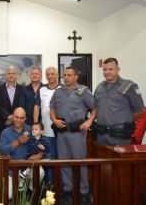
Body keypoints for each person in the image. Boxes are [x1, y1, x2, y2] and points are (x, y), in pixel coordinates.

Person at [50, 67, 97, 205]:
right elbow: (52, 108)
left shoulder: (83, 91)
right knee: (63, 162)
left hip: (77, 133)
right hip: (62, 132)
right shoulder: (58, 91)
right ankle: (68, 190)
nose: (66, 78)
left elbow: (94, 107)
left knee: (80, 161)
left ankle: (83, 191)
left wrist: (89, 121)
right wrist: (54, 120)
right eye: (64, 75)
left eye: (69, 75)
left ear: (76, 76)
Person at [94, 58, 145, 146]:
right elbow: (96, 108)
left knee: (118, 159)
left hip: (119, 135)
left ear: (118, 69)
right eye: (105, 69)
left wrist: (125, 120)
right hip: (101, 134)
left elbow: (140, 110)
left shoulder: (128, 86)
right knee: (102, 159)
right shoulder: (100, 87)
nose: (107, 72)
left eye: (111, 69)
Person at [33, 67, 62, 183]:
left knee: (61, 158)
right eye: (47, 74)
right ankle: (50, 184)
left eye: (52, 74)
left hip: (61, 131)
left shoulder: (63, 89)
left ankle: (62, 184)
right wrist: (36, 124)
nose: (50, 76)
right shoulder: (42, 89)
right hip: (46, 132)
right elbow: (37, 107)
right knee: (49, 158)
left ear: (57, 75)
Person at [0, 66, 23, 144]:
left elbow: (21, 104)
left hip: (19, 122)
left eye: (13, 73)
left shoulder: (22, 89)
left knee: (18, 146)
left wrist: (14, 117)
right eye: (9, 73)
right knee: (4, 147)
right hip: (3, 122)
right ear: (6, 75)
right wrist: (8, 116)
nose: (11, 75)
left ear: (16, 75)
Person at [19, 122, 50, 190]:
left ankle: (31, 185)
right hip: (29, 156)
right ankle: (21, 182)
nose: (33, 131)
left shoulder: (44, 140)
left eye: (36, 129)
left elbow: (48, 150)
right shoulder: (31, 137)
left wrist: (43, 148)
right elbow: (25, 136)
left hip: (39, 158)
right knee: (25, 163)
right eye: (32, 129)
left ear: (41, 131)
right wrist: (25, 134)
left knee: (33, 161)